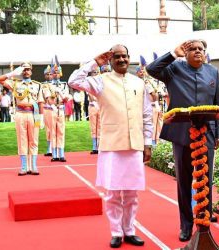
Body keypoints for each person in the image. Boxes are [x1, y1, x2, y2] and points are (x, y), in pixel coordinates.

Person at [68, 44, 153, 248]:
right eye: (117, 57)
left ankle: (130, 231)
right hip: (112, 146)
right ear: (111, 60)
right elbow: (74, 81)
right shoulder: (100, 81)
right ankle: (116, 232)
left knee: (132, 193)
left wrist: (148, 142)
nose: (121, 60)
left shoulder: (139, 83)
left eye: (124, 56)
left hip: (134, 145)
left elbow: (147, 115)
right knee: (113, 193)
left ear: (128, 58)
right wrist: (95, 62)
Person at [146, 40, 219, 242]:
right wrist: (173, 53)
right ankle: (186, 225)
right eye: (193, 49)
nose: (198, 51)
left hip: (206, 133)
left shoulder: (212, 71)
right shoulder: (174, 69)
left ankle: (204, 221)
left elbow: (217, 104)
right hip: (181, 134)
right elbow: (151, 69)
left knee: (206, 178)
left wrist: (218, 134)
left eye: (201, 49)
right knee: (184, 182)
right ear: (185, 53)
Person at [0, 62, 44, 175]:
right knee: (22, 140)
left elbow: (41, 102)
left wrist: (41, 117)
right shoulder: (15, 83)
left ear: (31, 71)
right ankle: (23, 167)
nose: (26, 71)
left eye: (28, 69)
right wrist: (12, 73)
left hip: (33, 113)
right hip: (20, 113)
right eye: (23, 69)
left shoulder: (37, 85)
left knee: (34, 140)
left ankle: (33, 166)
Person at [44, 63, 69, 162]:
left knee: (61, 131)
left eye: (57, 72)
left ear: (60, 73)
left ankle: (61, 154)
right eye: (54, 73)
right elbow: (48, 98)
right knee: (53, 131)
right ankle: (54, 154)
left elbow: (66, 98)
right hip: (52, 109)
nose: (55, 74)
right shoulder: (47, 85)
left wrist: (62, 94)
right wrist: (53, 104)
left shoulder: (64, 84)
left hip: (61, 109)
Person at [87, 69, 100, 154]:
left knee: (100, 126)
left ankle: (99, 146)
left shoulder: (101, 82)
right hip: (92, 105)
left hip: (100, 106)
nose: (95, 74)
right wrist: (94, 102)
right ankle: (94, 146)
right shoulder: (89, 83)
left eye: (97, 72)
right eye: (94, 72)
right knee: (93, 126)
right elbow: (89, 94)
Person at [42, 65, 53, 156]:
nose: (49, 76)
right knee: (48, 129)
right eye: (47, 74)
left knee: (55, 129)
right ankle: (49, 148)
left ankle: (55, 148)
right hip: (46, 109)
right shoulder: (42, 85)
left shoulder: (56, 85)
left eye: (50, 74)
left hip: (54, 109)